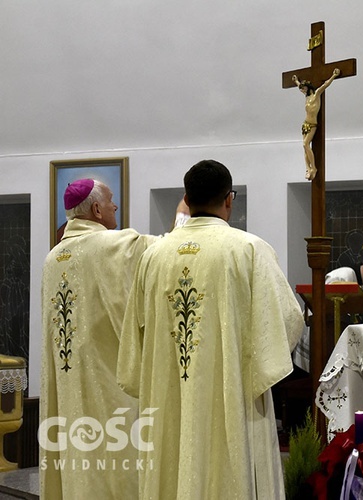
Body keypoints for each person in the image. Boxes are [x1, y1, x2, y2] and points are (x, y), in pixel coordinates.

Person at [117, 160, 304, 499]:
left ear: (185, 198)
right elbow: (288, 321)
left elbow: (135, 335)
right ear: (229, 199)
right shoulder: (249, 249)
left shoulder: (154, 256)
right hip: (232, 398)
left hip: (168, 397)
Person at [40, 179, 179, 499]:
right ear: (97, 209)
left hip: (69, 392)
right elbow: (167, 255)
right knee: (118, 468)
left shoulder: (53, 258)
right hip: (113, 388)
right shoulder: (116, 246)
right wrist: (183, 215)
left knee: (79, 466)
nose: (116, 206)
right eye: (112, 200)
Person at [292, 68, 340, 181]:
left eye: (304, 88)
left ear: (308, 87)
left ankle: (313, 168)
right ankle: (307, 168)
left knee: (305, 144)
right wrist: (296, 81)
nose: (303, 90)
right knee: (305, 148)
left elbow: (325, 85)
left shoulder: (316, 95)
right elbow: (300, 88)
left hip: (313, 124)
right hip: (305, 124)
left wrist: (333, 75)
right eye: (302, 89)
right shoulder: (307, 97)